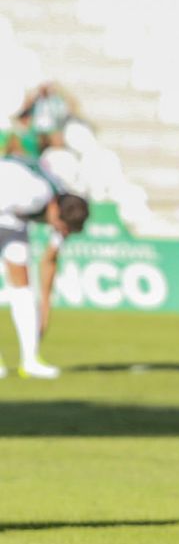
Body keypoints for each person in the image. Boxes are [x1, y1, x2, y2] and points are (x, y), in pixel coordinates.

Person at [0, 157, 88, 378]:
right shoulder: (33, 194)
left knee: (23, 288)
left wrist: (45, 308)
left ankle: (30, 360)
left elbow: (49, 260)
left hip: (12, 222)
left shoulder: (63, 208)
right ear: (54, 209)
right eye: (61, 226)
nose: (60, 231)